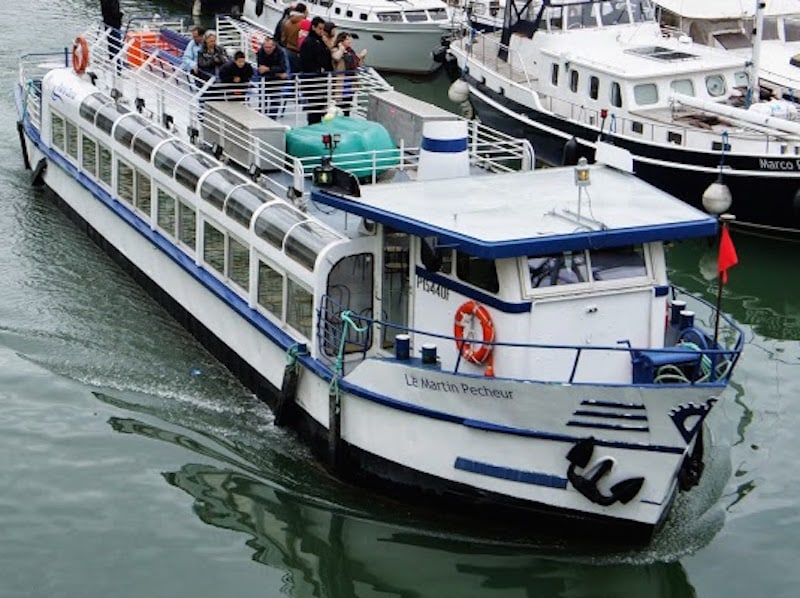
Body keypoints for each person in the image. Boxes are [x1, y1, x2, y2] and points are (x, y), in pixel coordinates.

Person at [299, 16, 333, 125]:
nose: (322, 31)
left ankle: (317, 125)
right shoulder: (308, 42)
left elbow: (326, 57)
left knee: (321, 107)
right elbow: (306, 62)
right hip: (313, 81)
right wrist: (319, 69)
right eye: (320, 29)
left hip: (321, 80)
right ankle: (313, 126)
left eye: (323, 29)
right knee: (314, 108)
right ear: (313, 27)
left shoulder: (319, 41)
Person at [331, 32, 367, 115]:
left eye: (349, 39)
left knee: (348, 104)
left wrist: (361, 56)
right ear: (341, 40)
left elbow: (357, 63)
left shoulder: (351, 51)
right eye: (347, 39)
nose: (349, 41)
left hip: (350, 81)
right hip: (341, 81)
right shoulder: (336, 49)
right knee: (339, 104)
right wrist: (341, 49)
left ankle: (346, 117)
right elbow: (336, 57)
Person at [256, 35, 289, 117]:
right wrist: (276, 72)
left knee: (275, 101)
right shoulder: (260, 52)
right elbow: (261, 70)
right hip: (265, 80)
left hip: (277, 82)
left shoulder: (280, 52)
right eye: (265, 47)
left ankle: (272, 119)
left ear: (274, 46)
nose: (267, 49)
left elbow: (283, 68)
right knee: (262, 102)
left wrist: (268, 69)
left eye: (269, 47)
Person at [281, 3, 307, 73]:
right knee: (297, 74)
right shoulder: (304, 24)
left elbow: (283, 39)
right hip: (298, 52)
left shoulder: (287, 22)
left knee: (289, 71)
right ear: (304, 12)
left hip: (288, 49)